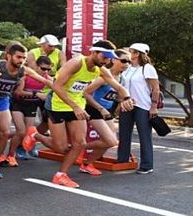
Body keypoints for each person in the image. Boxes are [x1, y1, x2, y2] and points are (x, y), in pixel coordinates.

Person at [37, 41, 132, 188]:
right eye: (104, 57)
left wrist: (126, 98)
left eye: (109, 58)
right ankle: (35, 135)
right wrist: (74, 106)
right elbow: (56, 86)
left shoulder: (100, 70)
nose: (106, 61)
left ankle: (61, 175)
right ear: (93, 52)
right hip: (57, 105)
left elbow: (118, 87)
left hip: (77, 106)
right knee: (61, 147)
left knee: (79, 143)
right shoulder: (76, 63)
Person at [0, 42, 52, 178]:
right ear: (9, 56)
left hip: (2, 102)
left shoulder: (24, 70)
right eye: (18, 57)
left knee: (4, 132)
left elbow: (46, 81)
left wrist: (62, 89)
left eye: (23, 58)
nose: (21, 60)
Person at [81, 49, 132, 174]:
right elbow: (85, 93)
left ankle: (87, 163)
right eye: (124, 61)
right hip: (93, 109)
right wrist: (101, 108)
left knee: (110, 142)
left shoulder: (120, 78)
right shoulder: (104, 76)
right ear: (114, 60)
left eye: (129, 62)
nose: (127, 64)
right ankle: (78, 149)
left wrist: (123, 101)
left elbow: (113, 95)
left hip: (107, 111)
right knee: (110, 141)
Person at [117, 43, 160, 174]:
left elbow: (156, 89)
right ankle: (122, 161)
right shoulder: (128, 68)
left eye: (131, 51)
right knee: (124, 134)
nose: (128, 53)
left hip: (143, 106)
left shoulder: (147, 68)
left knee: (144, 135)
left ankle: (147, 165)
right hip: (127, 105)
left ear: (137, 54)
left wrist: (153, 106)